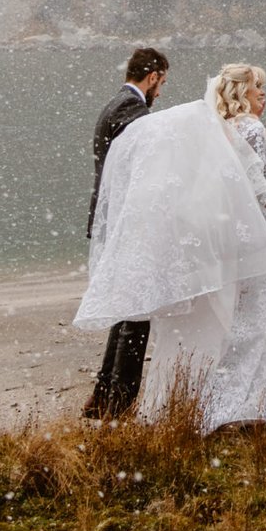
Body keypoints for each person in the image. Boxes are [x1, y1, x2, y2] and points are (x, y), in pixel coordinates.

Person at [74, 60, 266, 431]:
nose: (263, 93)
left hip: (230, 241)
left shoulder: (218, 129)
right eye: (257, 87)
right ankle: (258, 401)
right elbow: (256, 187)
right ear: (242, 93)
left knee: (233, 324)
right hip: (254, 242)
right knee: (262, 324)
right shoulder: (250, 128)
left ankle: (205, 399)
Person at [81, 45, 169, 419]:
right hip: (127, 223)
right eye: (161, 83)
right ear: (152, 77)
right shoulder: (132, 111)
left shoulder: (114, 105)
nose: (160, 92)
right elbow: (143, 169)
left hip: (115, 220)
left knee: (126, 311)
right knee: (136, 315)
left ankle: (104, 396)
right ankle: (119, 402)